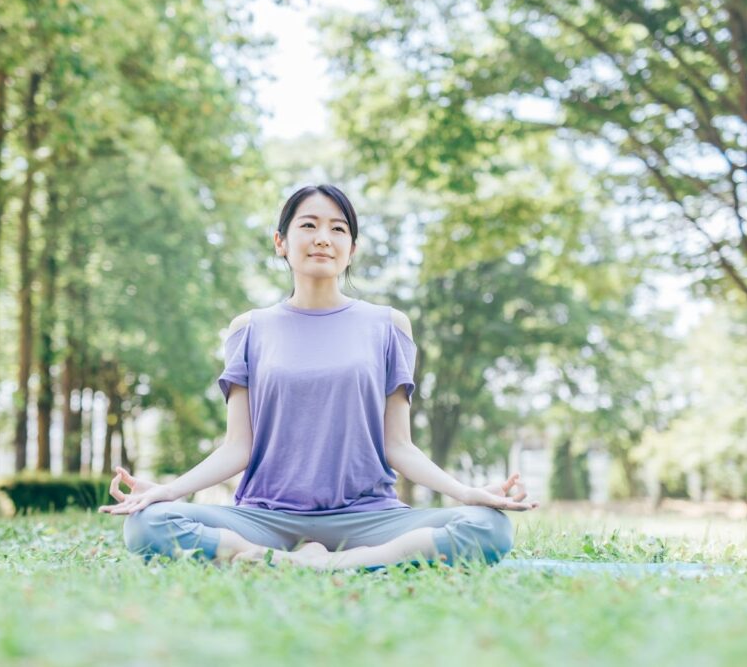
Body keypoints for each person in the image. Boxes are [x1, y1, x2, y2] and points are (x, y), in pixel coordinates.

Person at [100, 184, 538, 569]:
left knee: (489, 528)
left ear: (353, 247)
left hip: (368, 515)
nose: (323, 239)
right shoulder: (248, 329)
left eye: (338, 229)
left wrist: (465, 493)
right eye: (308, 226)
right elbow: (238, 447)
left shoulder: (389, 326)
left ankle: (336, 563)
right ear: (281, 242)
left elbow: (398, 445)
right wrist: (169, 491)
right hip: (265, 516)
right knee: (148, 525)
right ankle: (285, 558)